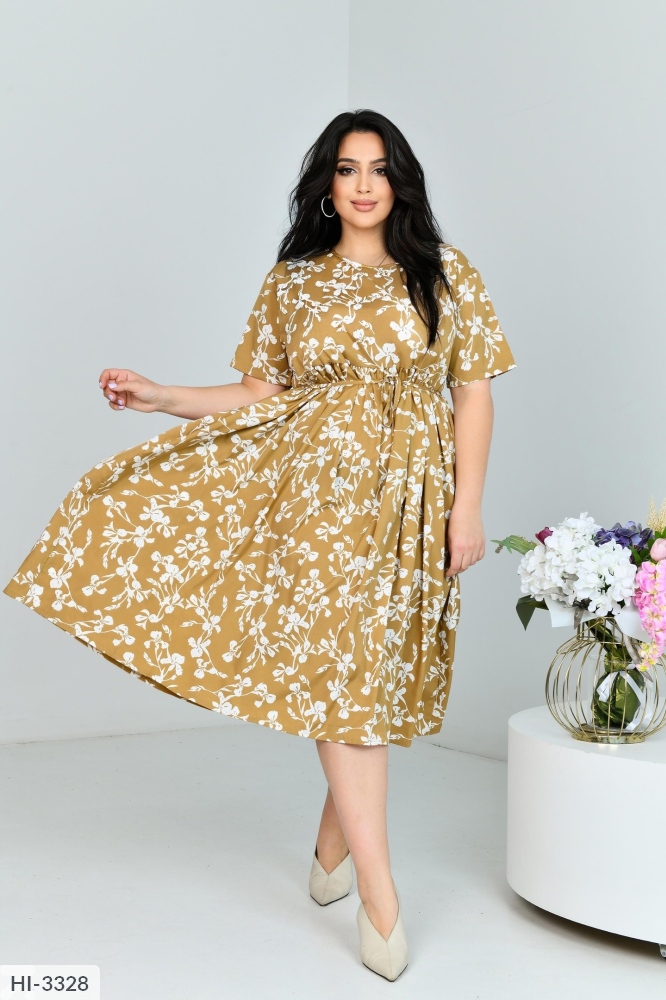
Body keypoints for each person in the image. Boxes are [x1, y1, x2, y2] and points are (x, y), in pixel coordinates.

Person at [4, 108, 516, 981]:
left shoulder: (443, 272)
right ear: (326, 185)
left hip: (410, 504)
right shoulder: (295, 281)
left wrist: (466, 507)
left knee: (372, 671)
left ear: (400, 183)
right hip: (312, 504)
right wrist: (163, 396)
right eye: (347, 169)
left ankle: (331, 849)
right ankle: (382, 899)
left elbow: (474, 392)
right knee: (345, 674)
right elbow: (256, 392)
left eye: (378, 169)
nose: (363, 185)